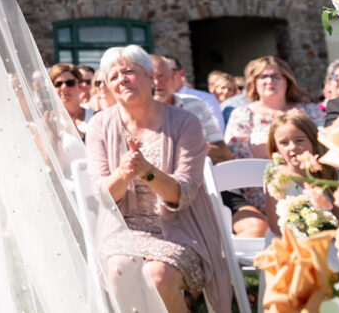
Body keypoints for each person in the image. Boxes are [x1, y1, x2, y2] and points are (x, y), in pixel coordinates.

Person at [86, 45, 231, 313]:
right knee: (118, 271)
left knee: (156, 277)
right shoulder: (99, 125)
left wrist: (147, 171)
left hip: (180, 231)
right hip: (124, 230)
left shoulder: (186, 123)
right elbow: (100, 195)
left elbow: (183, 194)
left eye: (129, 71)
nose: (122, 80)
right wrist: (123, 173)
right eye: (114, 76)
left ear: (151, 76)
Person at [224, 55, 323, 237]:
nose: (269, 81)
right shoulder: (242, 115)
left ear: (287, 81)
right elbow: (237, 155)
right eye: (263, 77)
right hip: (258, 195)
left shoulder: (310, 111)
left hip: (310, 188)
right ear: (254, 82)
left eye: (276, 76)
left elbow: (321, 147)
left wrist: (263, 150)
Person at [263, 110, 339, 235]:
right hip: (291, 243)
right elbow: (275, 226)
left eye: (299, 140)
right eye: (284, 143)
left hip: (326, 239)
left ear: (313, 141)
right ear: (275, 147)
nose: (292, 147)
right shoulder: (277, 178)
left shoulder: (324, 172)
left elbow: (338, 216)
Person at [151, 55, 229, 164]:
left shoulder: (195, 105)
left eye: (162, 76)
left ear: (173, 76)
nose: (156, 82)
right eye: (150, 77)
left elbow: (224, 154)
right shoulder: (131, 113)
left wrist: (200, 148)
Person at [164, 56, 224, 130]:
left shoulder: (205, 99)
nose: (166, 76)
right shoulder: (154, 102)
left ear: (182, 73)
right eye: (161, 73)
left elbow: (217, 132)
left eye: (171, 71)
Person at [48, 63, 94, 140]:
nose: (64, 87)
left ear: (79, 85)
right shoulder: (50, 121)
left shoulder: (95, 116)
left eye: (70, 83)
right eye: (58, 84)